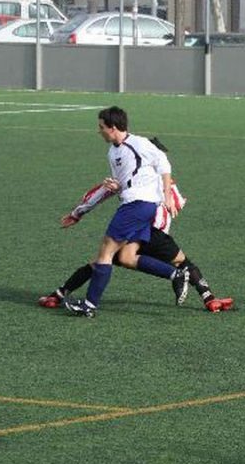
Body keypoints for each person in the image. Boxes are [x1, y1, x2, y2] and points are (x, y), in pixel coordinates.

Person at [38, 175, 234, 313]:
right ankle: (209, 298)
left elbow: (101, 191)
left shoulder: (134, 176)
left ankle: (61, 295)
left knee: (102, 260)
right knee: (182, 262)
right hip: (155, 234)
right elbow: (178, 203)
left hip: (141, 230)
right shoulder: (165, 180)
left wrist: (77, 212)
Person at [62, 106, 188, 318]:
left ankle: (90, 305)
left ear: (113, 128)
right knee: (128, 257)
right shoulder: (113, 152)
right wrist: (82, 210)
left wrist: (167, 194)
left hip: (136, 206)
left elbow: (163, 163)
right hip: (140, 206)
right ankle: (175, 274)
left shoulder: (138, 143)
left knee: (106, 253)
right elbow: (123, 182)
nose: (99, 131)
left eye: (101, 127)